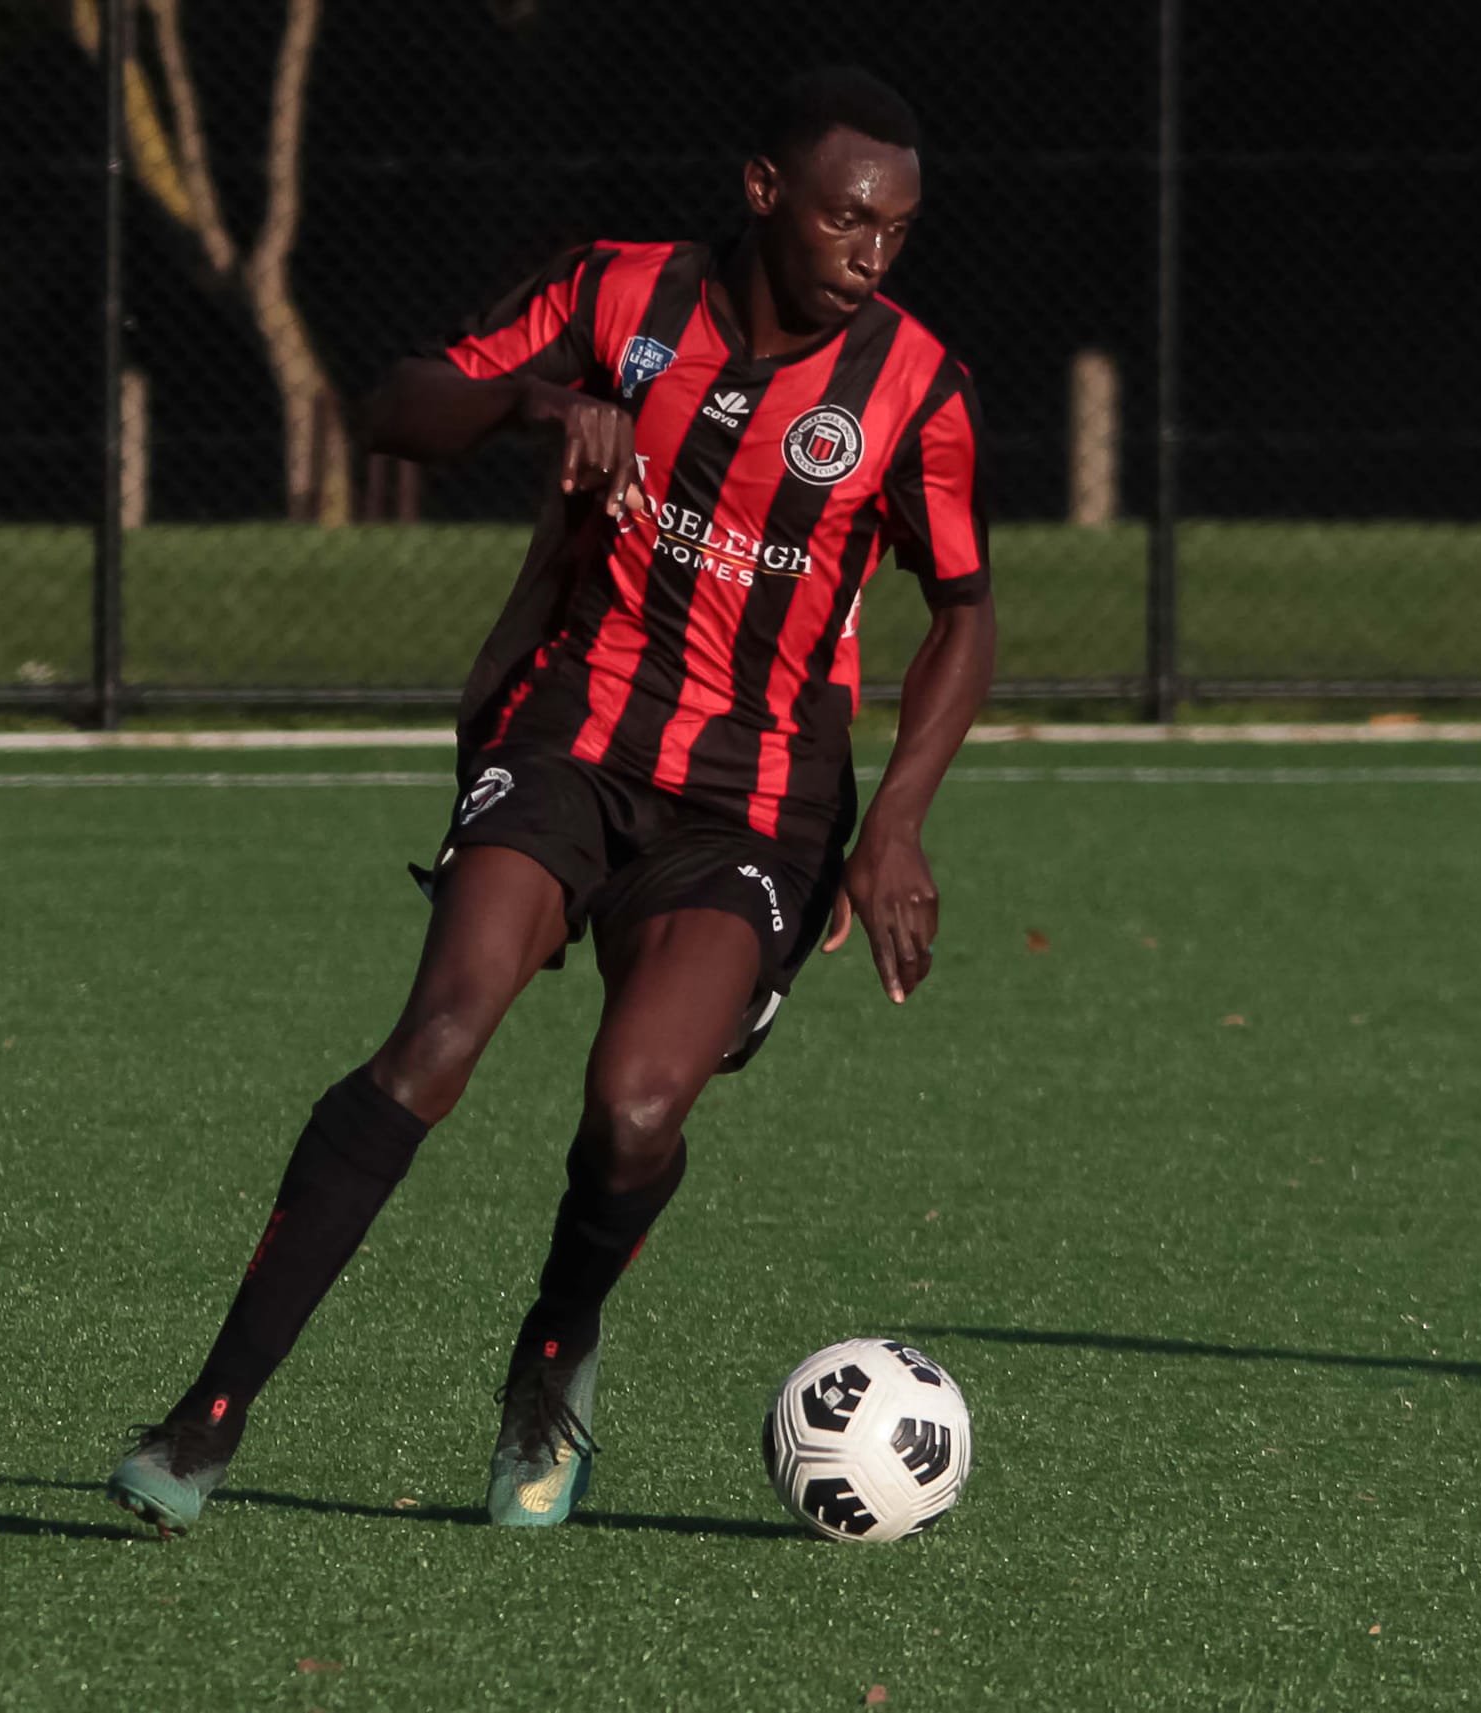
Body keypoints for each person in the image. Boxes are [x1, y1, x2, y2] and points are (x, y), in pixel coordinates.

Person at [106, 63, 995, 1535]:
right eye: (846, 220)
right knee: (434, 1038)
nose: (871, 255)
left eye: (896, 231)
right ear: (765, 191)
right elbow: (396, 405)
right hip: (570, 734)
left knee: (638, 1107)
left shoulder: (916, 391)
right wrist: (537, 402)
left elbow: (964, 612)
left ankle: (554, 1350)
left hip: (755, 802)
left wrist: (894, 823)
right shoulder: (616, 295)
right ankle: (205, 1417)